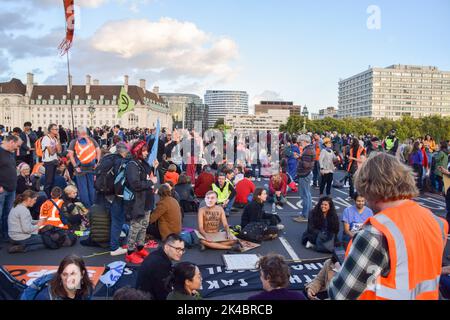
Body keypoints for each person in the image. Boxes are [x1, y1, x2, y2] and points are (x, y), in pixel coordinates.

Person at [329, 153, 448, 300]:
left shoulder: (376, 232)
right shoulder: (436, 222)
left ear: (369, 188)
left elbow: (340, 295)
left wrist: (335, 273)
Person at [124, 140, 157, 264]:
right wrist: (151, 182)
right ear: (137, 151)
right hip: (137, 201)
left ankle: (140, 248)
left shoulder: (142, 162)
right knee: (135, 227)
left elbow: (148, 176)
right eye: (144, 150)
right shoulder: (132, 165)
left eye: (146, 150)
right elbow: (135, 184)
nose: (146, 153)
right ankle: (130, 253)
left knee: (144, 226)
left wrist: (154, 166)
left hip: (146, 199)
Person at [136, 234, 185, 300]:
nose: (181, 253)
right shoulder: (161, 265)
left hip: (141, 292)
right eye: (177, 249)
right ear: (167, 247)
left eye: (182, 250)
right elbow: (163, 294)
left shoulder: (157, 254)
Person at [67, 126, 101, 208]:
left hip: (80, 168)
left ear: (78, 133)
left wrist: (75, 166)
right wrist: (97, 162)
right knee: (91, 186)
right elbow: (98, 151)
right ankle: (93, 205)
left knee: (83, 188)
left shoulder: (74, 141)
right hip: (91, 167)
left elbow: (70, 155)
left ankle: (86, 207)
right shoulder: (92, 140)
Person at [0, 135, 21, 239]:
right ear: (12, 142)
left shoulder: (10, 153)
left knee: (7, 215)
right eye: (17, 146)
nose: (17, 149)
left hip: (11, 188)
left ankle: (5, 236)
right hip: (2, 189)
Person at [293, 134, 316, 223]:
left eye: (300, 141)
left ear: (305, 141)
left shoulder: (307, 151)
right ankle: (307, 213)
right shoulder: (310, 149)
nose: (300, 143)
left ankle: (305, 215)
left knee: (305, 195)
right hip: (307, 173)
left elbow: (305, 165)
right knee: (308, 195)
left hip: (304, 174)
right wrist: (300, 156)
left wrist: (299, 158)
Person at [41, 124, 62, 198]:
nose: (57, 131)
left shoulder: (55, 139)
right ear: (50, 130)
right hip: (48, 161)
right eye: (55, 129)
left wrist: (58, 139)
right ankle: (46, 197)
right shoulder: (46, 138)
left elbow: (59, 151)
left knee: (52, 181)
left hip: (54, 161)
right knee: (48, 181)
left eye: (57, 129)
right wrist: (55, 148)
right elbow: (52, 152)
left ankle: (51, 196)